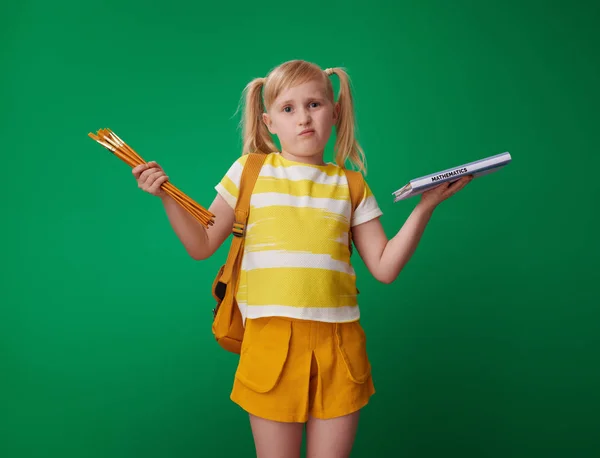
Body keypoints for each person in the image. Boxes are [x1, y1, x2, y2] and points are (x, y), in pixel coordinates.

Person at [131, 59, 472, 458]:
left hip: (339, 347)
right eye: (288, 109)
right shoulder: (249, 172)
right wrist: (167, 198)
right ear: (268, 122)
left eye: (314, 104)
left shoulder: (351, 185)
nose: (303, 118)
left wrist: (424, 207)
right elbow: (202, 245)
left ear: (335, 112)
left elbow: (384, 266)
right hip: (270, 343)